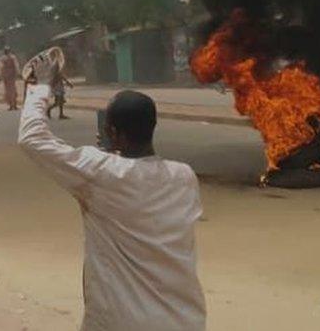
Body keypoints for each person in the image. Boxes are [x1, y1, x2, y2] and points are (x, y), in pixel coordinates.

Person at [18, 53, 206, 330]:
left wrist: (40, 86)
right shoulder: (184, 177)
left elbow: (32, 138)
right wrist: (112, 153)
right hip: (183, 320)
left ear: (114, 133)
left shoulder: (101, 173)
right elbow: (136, 182)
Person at [0, 47, 20, 111]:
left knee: (8, 90)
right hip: (12, 76)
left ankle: (11, 105)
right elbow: (16, 66)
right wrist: (18, 73)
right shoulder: (13, 57)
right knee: (13, 89)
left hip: (6, 76)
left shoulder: (2, 58)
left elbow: (0, 67)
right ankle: (14, 104)